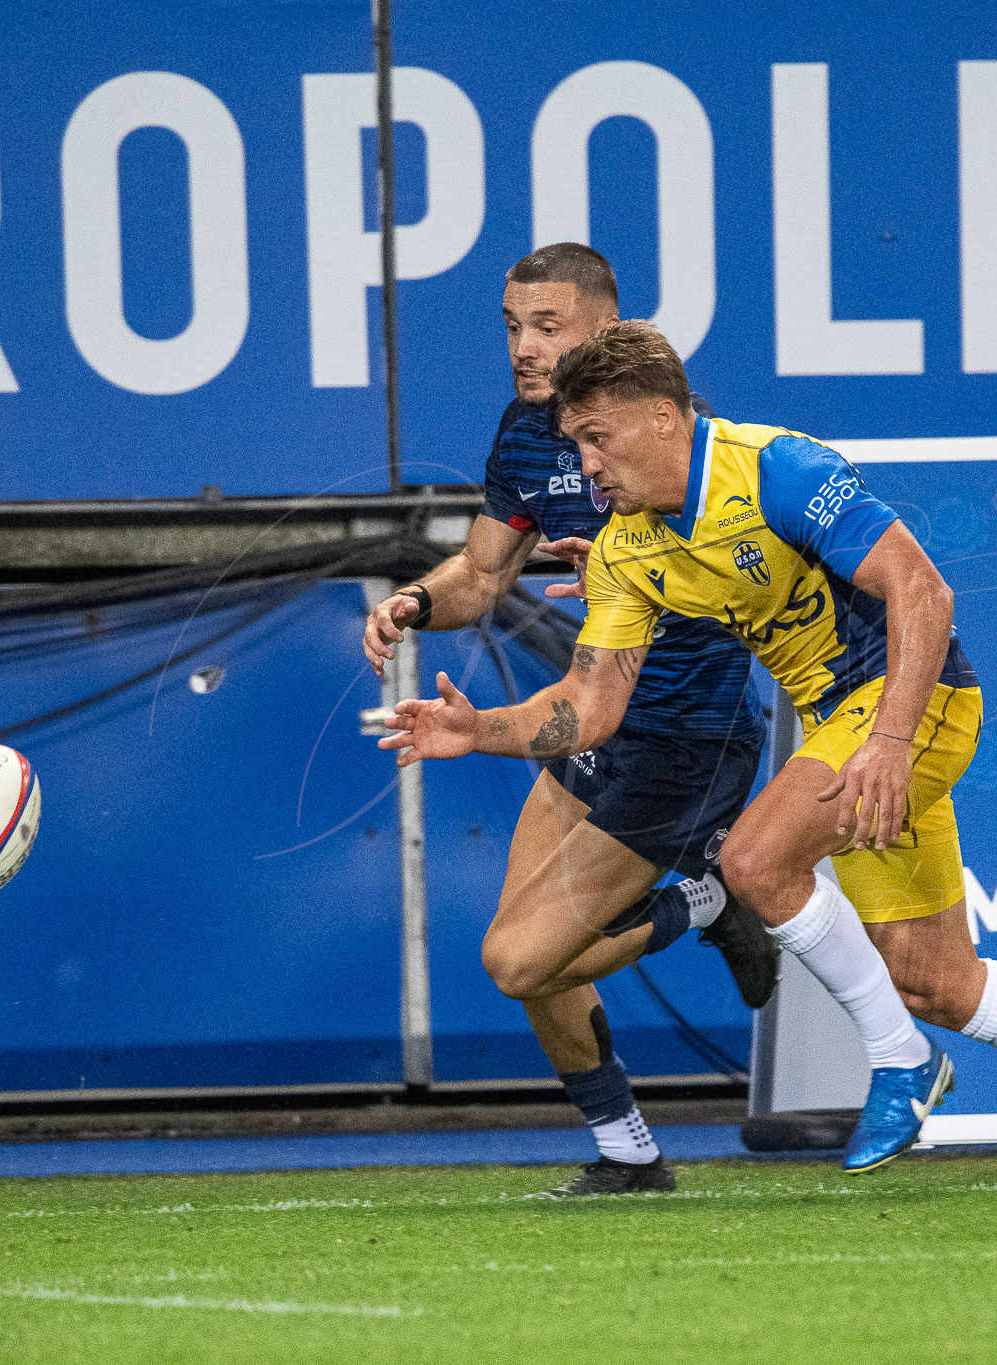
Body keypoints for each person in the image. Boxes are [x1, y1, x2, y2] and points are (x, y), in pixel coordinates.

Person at [384, 320, 997, 1175]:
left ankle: (902, 1062)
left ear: (664, 417)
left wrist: (889, 738)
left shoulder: (779, 468)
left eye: (597, 438)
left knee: (757, 859)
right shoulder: (626, 547)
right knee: (935, 979)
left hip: (913, 702)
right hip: (845, 723)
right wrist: (481, 730)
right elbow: (589, 707)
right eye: (577, 443)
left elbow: (922, 589)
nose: (585, 466)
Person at [361, 245, 776, 1199]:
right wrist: (414, 603)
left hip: (687, 737)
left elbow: (748, 582)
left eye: (547, 326)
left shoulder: (683, 440)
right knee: (530, 953)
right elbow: (480, 575)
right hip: (592, 720)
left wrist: (638, 577)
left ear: (607, 330)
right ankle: (630, 1153)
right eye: (512, 325)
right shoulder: (523, 433)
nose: (523, 346)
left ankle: (710, 899)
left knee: (514, 958)